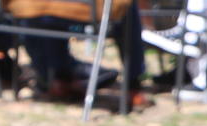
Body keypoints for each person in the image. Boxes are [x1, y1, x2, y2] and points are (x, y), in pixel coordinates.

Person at [19, 0, 148, 106]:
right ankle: (133, 85)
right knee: (127, 7)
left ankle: (55, 77)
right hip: (84, 10)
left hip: (29, 10)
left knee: (39, 15)